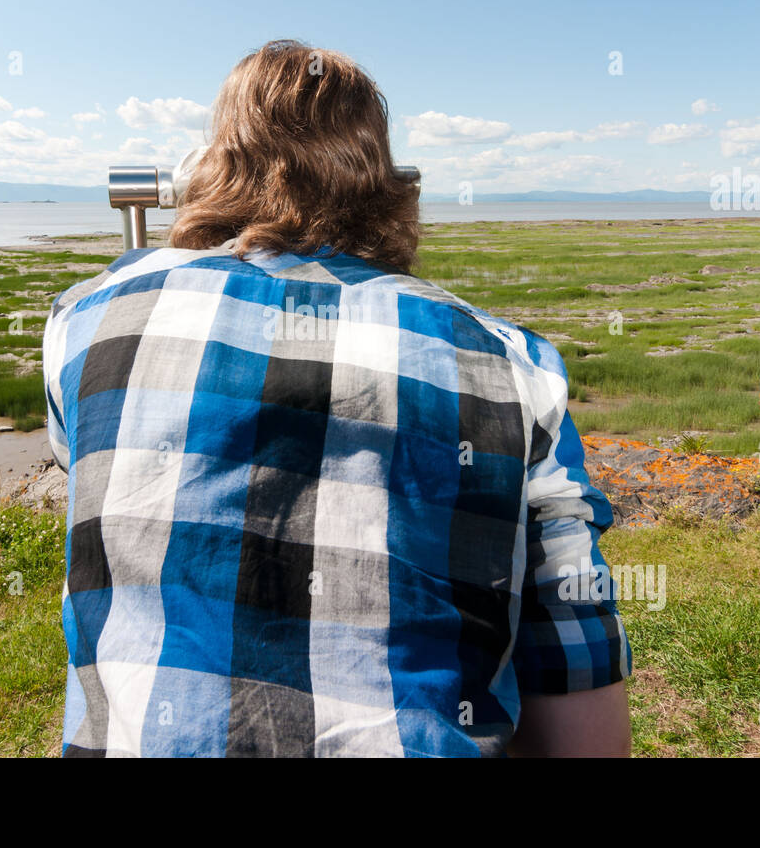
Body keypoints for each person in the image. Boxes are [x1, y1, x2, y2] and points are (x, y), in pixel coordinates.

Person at [42, 40, 631, 757]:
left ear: (209, 168)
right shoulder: (518, 368)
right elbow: (577, 679)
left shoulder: (85, 321)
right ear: (387, 182)